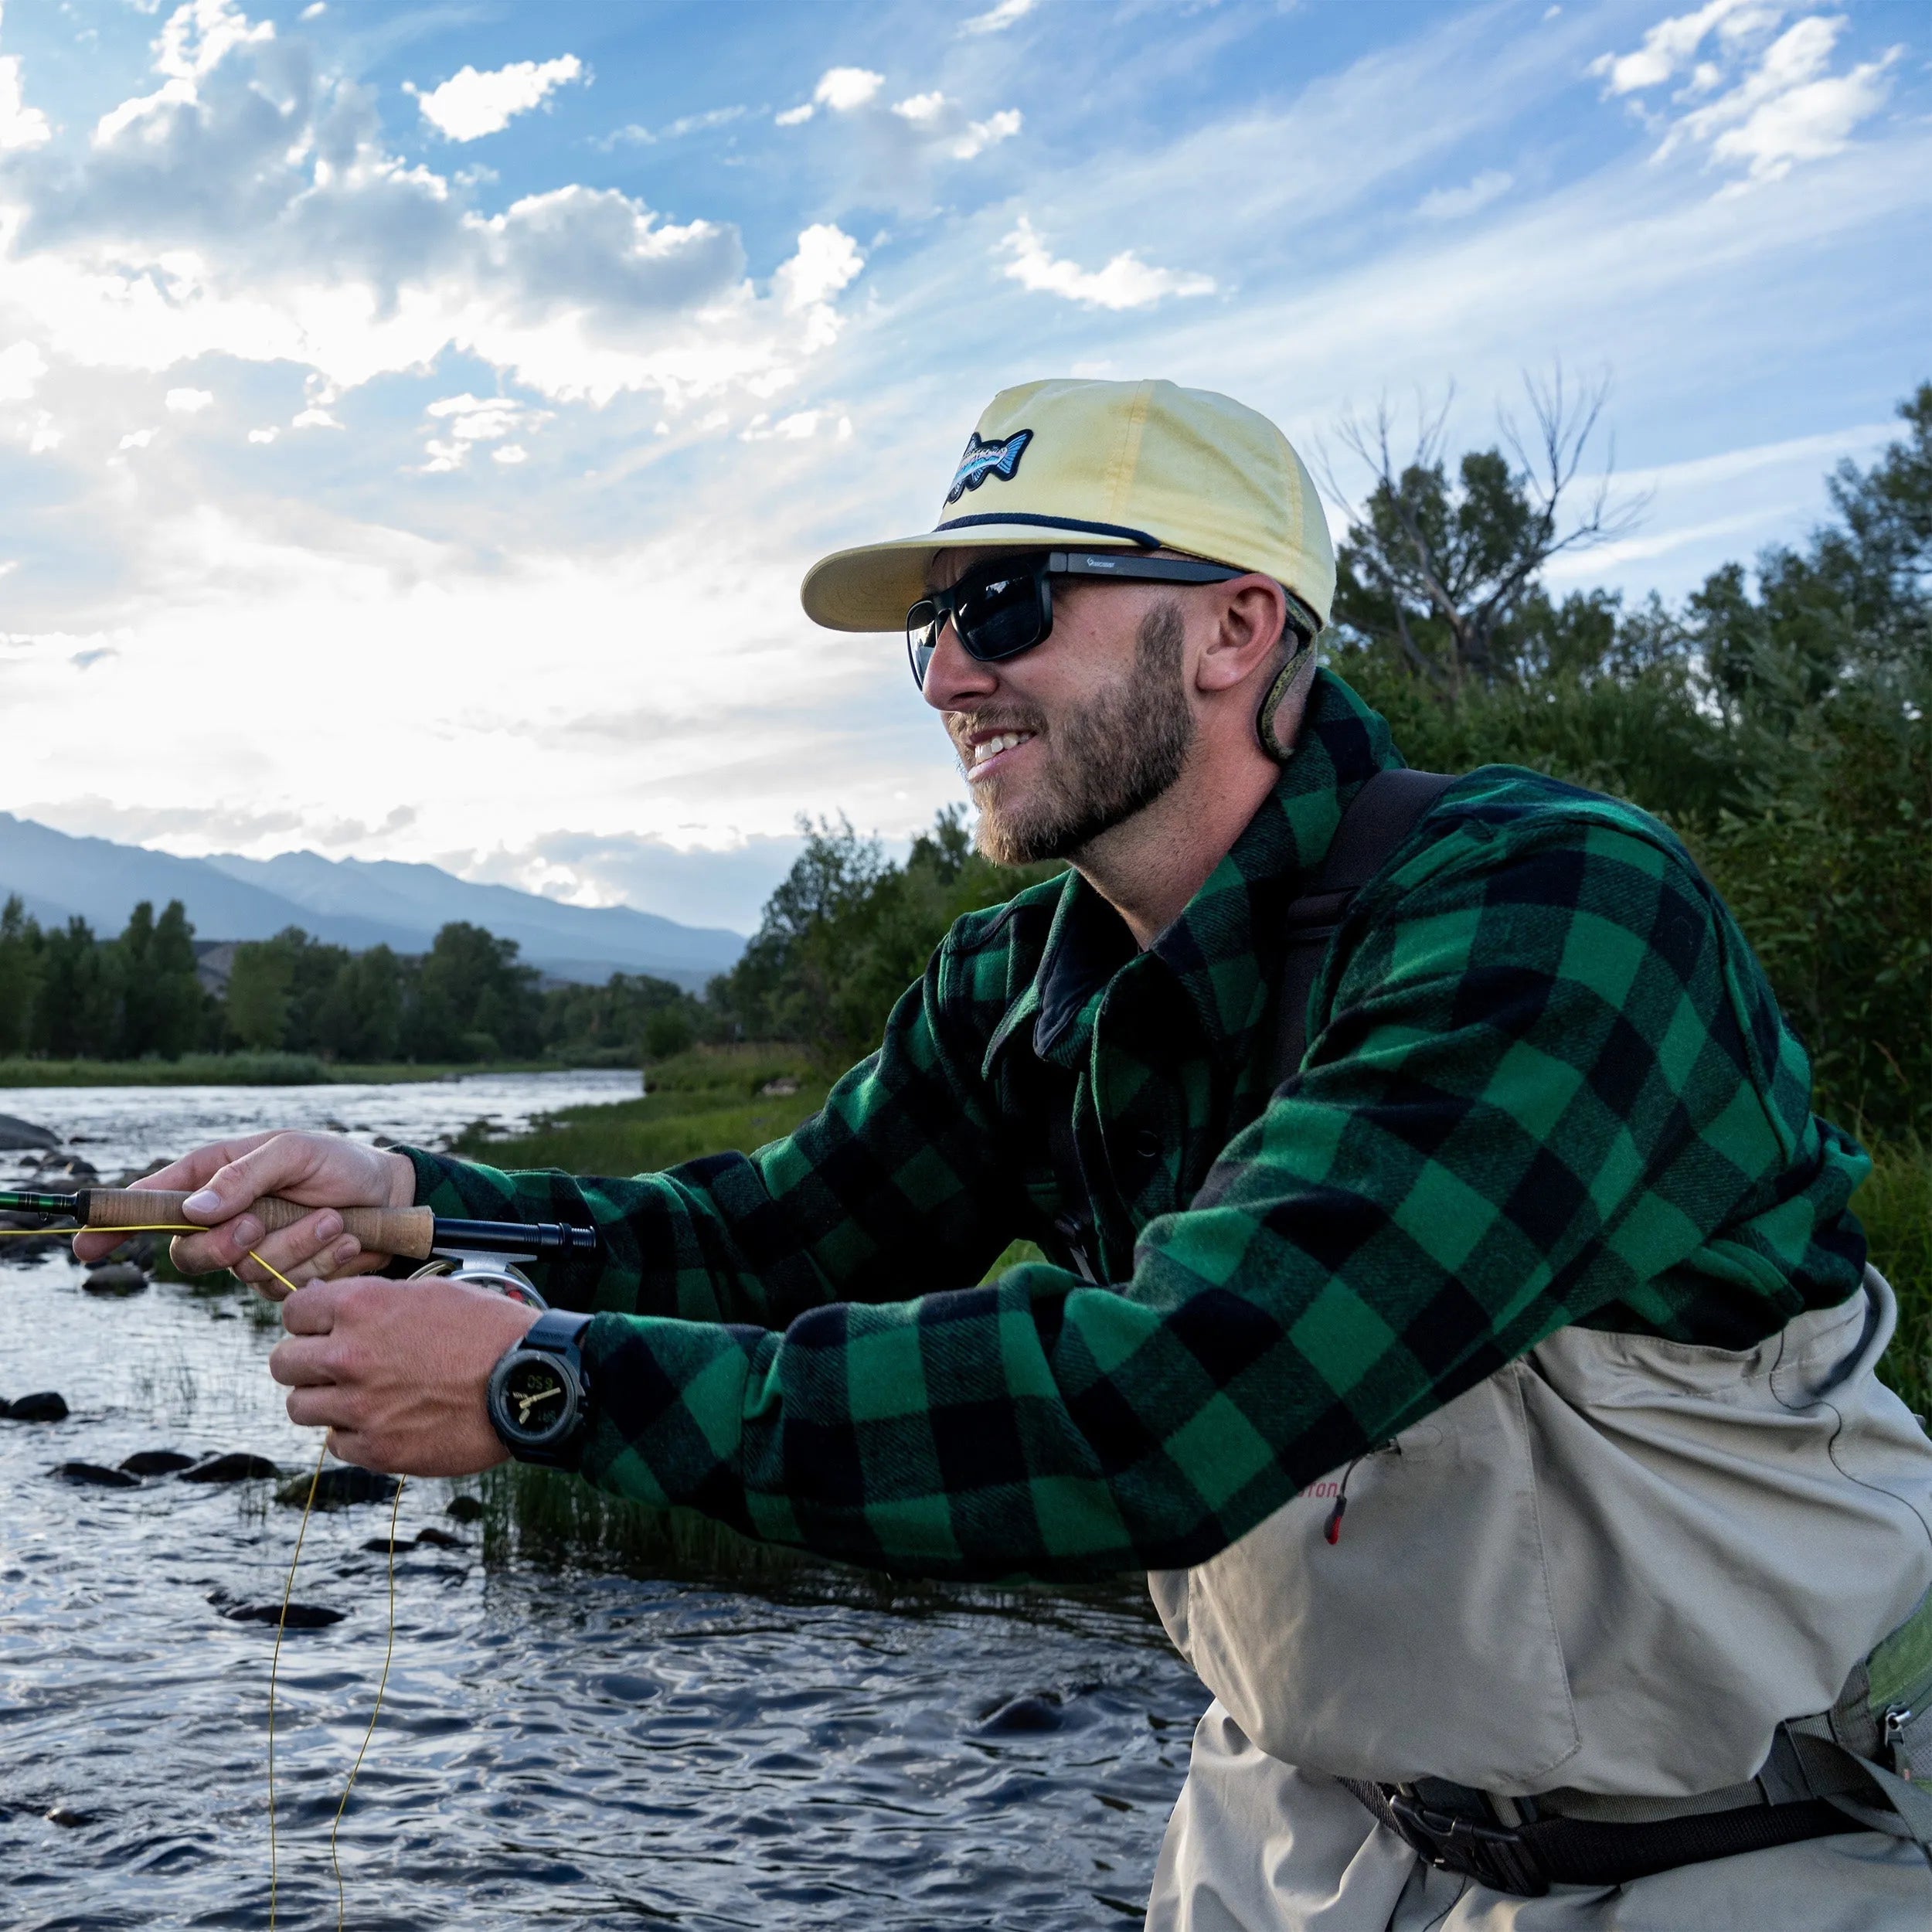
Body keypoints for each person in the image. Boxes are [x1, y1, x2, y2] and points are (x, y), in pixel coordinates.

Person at [91, 379, 1932, 1929]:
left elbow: (1180, 1406)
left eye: (1006, 604)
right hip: (1295, 1834)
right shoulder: (1014, 981)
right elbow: (763, 1240)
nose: (944, 677)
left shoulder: (1550, 909)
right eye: (933, 625)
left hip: (1732, 1843)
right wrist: (410, 1207)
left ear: (1234, 627)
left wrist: (545, 1387)